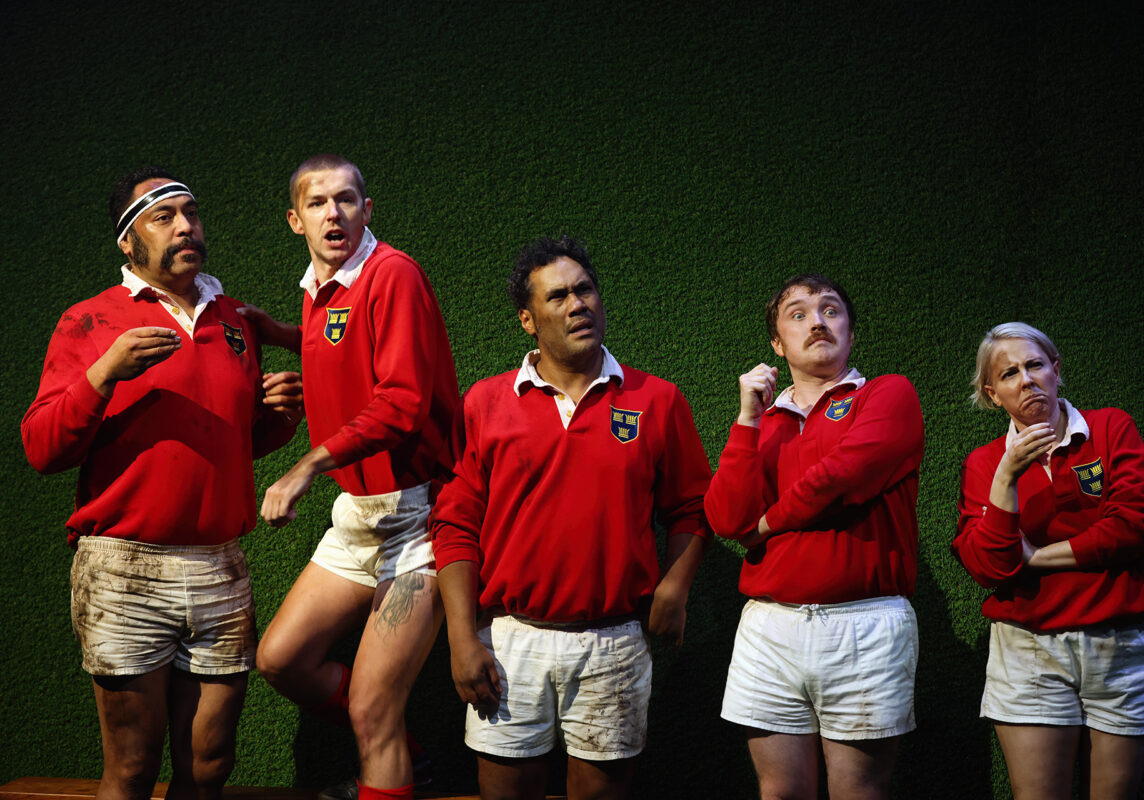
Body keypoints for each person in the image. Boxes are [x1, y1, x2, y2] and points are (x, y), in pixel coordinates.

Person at [20, 167, 303, 800]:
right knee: (133, 765)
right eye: (164, 217)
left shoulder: (233, 319)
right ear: (128, 241)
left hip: (220, 563)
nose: (185, 227)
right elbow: (41, 448)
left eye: (191, 214)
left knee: (211, 762)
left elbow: (234, 447)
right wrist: (103, 374)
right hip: (123, 566)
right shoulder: (89, 322)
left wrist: (278, 421)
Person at [431, 235, 711, 800]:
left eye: (585, 290)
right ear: (528, 320)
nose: (577, 304)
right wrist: (462, 639)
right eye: (557, 296)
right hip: (509, 641)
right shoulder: (485, 403)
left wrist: (676, 586)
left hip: (614, 640)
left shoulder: (657, 399)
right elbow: (455, 526)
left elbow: (692, 507)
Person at [241, 155, 458, 800]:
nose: (333, 213)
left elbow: (402, 402)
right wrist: (273, 330)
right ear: (295, 219)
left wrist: (305, 466)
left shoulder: (392, 275)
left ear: (368, 210)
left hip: (417, 518)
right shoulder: (321, 284)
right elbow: (334, 341)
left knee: (371, 709)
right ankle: (406, 760)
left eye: (346, 200)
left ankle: (385, 760)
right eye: (317, 203)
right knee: (280, 660)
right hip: (360, 515)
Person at [704, 274, 924, 800]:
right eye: (798, 314)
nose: (818, 321)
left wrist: (768, 524)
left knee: (860, 792)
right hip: (770, 626)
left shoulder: (886, 393)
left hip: (865, 622)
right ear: (777, 345)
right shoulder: (765, 424)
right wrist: (746, 420)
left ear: (851, 333)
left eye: (830, 311)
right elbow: (727, 518)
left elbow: (844, 475)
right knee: (780, 792)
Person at [953, 322, 1144, 799]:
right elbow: (989, 566)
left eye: (1034, 365)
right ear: (993, 394)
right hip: (1028, 648)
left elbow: (1135, 523)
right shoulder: (984, 463)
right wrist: (1008, 474)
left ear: (1055, 369)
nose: (1026, 380)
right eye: (1009, 374)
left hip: (1121, 642)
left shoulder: (1110, 427)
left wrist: (1036, 557)